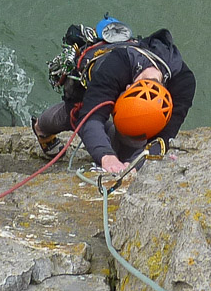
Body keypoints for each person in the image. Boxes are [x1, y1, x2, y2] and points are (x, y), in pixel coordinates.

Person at [33, 18, 196, 174]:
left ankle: (123, 141)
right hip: (95, 79)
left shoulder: (183, 83)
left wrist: (135, 164)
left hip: (133, 79)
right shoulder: (115, 67)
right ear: (127, 87)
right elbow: (90, 119)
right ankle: (41, 128)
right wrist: (106, 157)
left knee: (128, 150)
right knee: (75, 113)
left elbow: (164, 138)